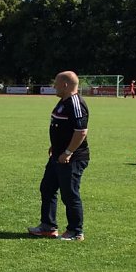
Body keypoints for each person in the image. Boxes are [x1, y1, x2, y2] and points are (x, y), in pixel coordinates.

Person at [28, 71, 89, 241]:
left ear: (65, 85)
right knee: (47, 188)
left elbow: (81, 132)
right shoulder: (63, 102)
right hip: (57, 155)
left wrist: (68, 152)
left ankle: (76, 231)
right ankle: (48, 226)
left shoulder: (76, 103)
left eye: (56, 83)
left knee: (69, 194)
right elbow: (62, 127)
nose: (53, 86)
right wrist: (55, 145)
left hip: (72, 158)